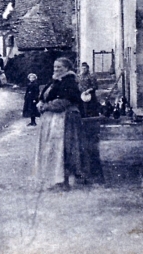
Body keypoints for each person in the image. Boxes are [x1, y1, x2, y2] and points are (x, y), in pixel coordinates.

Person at [33, 57, 85, 190]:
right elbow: (43, 95)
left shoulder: (69, 82)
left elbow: (64, 102)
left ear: (67, 69)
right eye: (55, 67)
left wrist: (45, 107)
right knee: (52, 150)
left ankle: (64, 182)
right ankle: (57, 180)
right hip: (52, 120)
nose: (56, 69)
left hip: (64, 120)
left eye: (59, 67)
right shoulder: (55, 80)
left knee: (62, 150)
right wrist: (40, 102)